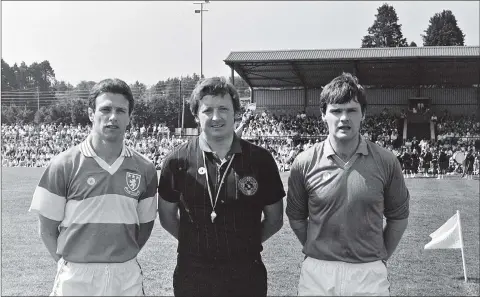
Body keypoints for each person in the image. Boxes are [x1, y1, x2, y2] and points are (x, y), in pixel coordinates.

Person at [29, 78, 158, 296]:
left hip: (125, 276)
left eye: (120, 110)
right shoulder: (63, 164)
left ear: (130, 117)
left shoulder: (145, 168)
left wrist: (119, 257)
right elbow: (46, 229)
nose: (112, 117)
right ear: (91, 114)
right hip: (76, 277)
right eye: (105, 109)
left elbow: (145, 226)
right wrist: (69, 264)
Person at [157, 77, 285, 296]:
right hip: (193, 274)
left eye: (224, 109)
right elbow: (167, 218)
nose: (216, 117)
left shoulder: (261, 160)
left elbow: (275, 219)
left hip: (246, 273)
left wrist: (245, 243)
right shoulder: (176, 161)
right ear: (196, 115)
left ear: (235, 112)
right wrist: (195, 243)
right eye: (207, 110)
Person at [286, 73, 410, 296]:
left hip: (369, 272)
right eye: (336, 110)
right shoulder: (303, 163)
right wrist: (318, 247)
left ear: (363, 114)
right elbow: (296, 218)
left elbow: (398, 218)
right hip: (317, 272)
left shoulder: (387, 161)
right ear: (323, 114)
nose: (344, 118)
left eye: (352, 110)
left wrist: (378, 255)